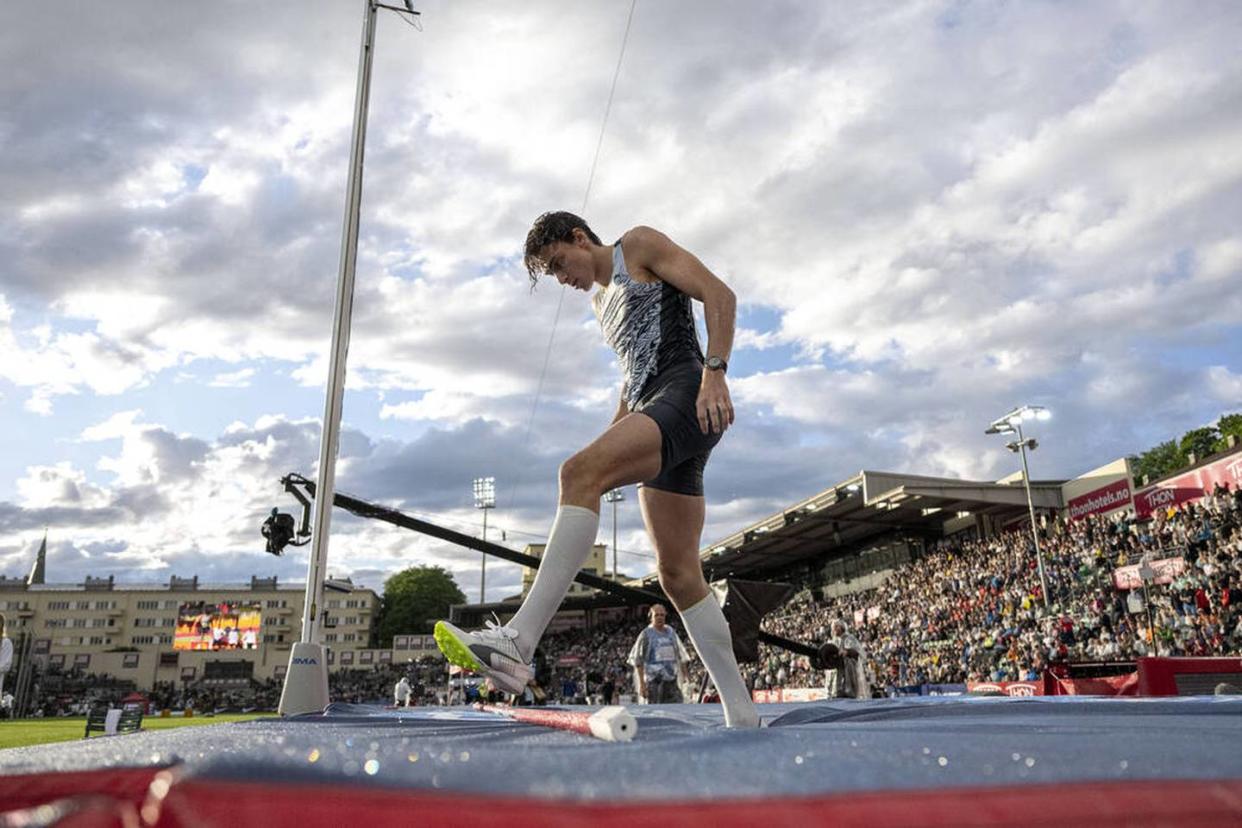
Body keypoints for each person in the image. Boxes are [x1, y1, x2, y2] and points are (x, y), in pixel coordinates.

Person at [434, 212, 759, 727]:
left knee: (576, 474)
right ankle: (743, 715)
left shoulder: (638, 245)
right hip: (655, 404)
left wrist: (715, 374)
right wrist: (610, 438)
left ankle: (517, 643)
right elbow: (633, 379)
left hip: (687, 394)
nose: (564, 279)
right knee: (677, 574)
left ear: (580, 238)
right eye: (554, 274)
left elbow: (721, 296)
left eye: (561, 264)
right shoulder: (599, 305)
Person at [628, 604, 691, 704]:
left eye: (662, 615)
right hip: (653, 682)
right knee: (656, 711)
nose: (660, 617)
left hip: (671, 681)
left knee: (677, 709)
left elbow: (680, 656)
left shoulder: (671, 632)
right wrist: (642, 685)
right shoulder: (646, 634)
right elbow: (638, 661)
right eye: (656, 615)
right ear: (651, 617)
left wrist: (686, 677)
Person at [825, 619, 869, 699]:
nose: (834, 629)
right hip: (835, 673)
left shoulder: (849, 639)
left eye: (836, 626)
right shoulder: (832, 641)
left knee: (848, 696)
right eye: (833, 627)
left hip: (848, 672)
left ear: (842, 627)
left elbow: (857, 652)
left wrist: (847, 652)